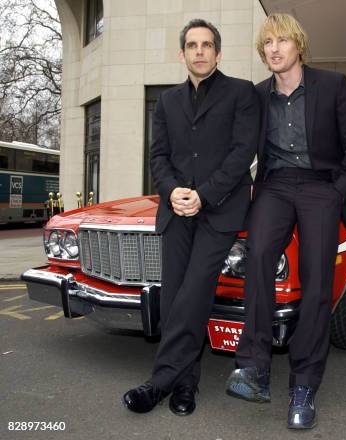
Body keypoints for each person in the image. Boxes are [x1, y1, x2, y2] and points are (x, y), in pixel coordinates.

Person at [226, 13, 346, 429]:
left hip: (320, 185)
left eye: (281, 41)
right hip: (274, 185)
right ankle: (254, 368)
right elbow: (238, 148)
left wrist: (337, 190)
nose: (273, 48)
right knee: (256, 259)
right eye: (267, 42)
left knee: (317, 280)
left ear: (299, 46)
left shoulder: (332, 85)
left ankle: (304, 384)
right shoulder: (256, 96)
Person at [123, 18, 259, 416]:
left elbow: (242, 153)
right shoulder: (166, 102)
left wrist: (204, 195)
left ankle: (158, 382)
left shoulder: (242, 93)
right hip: (176, 211)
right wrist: (171, 191)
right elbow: (158, 157)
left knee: (195, 292)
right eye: (192, 45)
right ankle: (185, 385)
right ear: (181, 54)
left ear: (218, 52)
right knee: (176, 299)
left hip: (219, 210)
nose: (200, 51)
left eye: (207, 45)